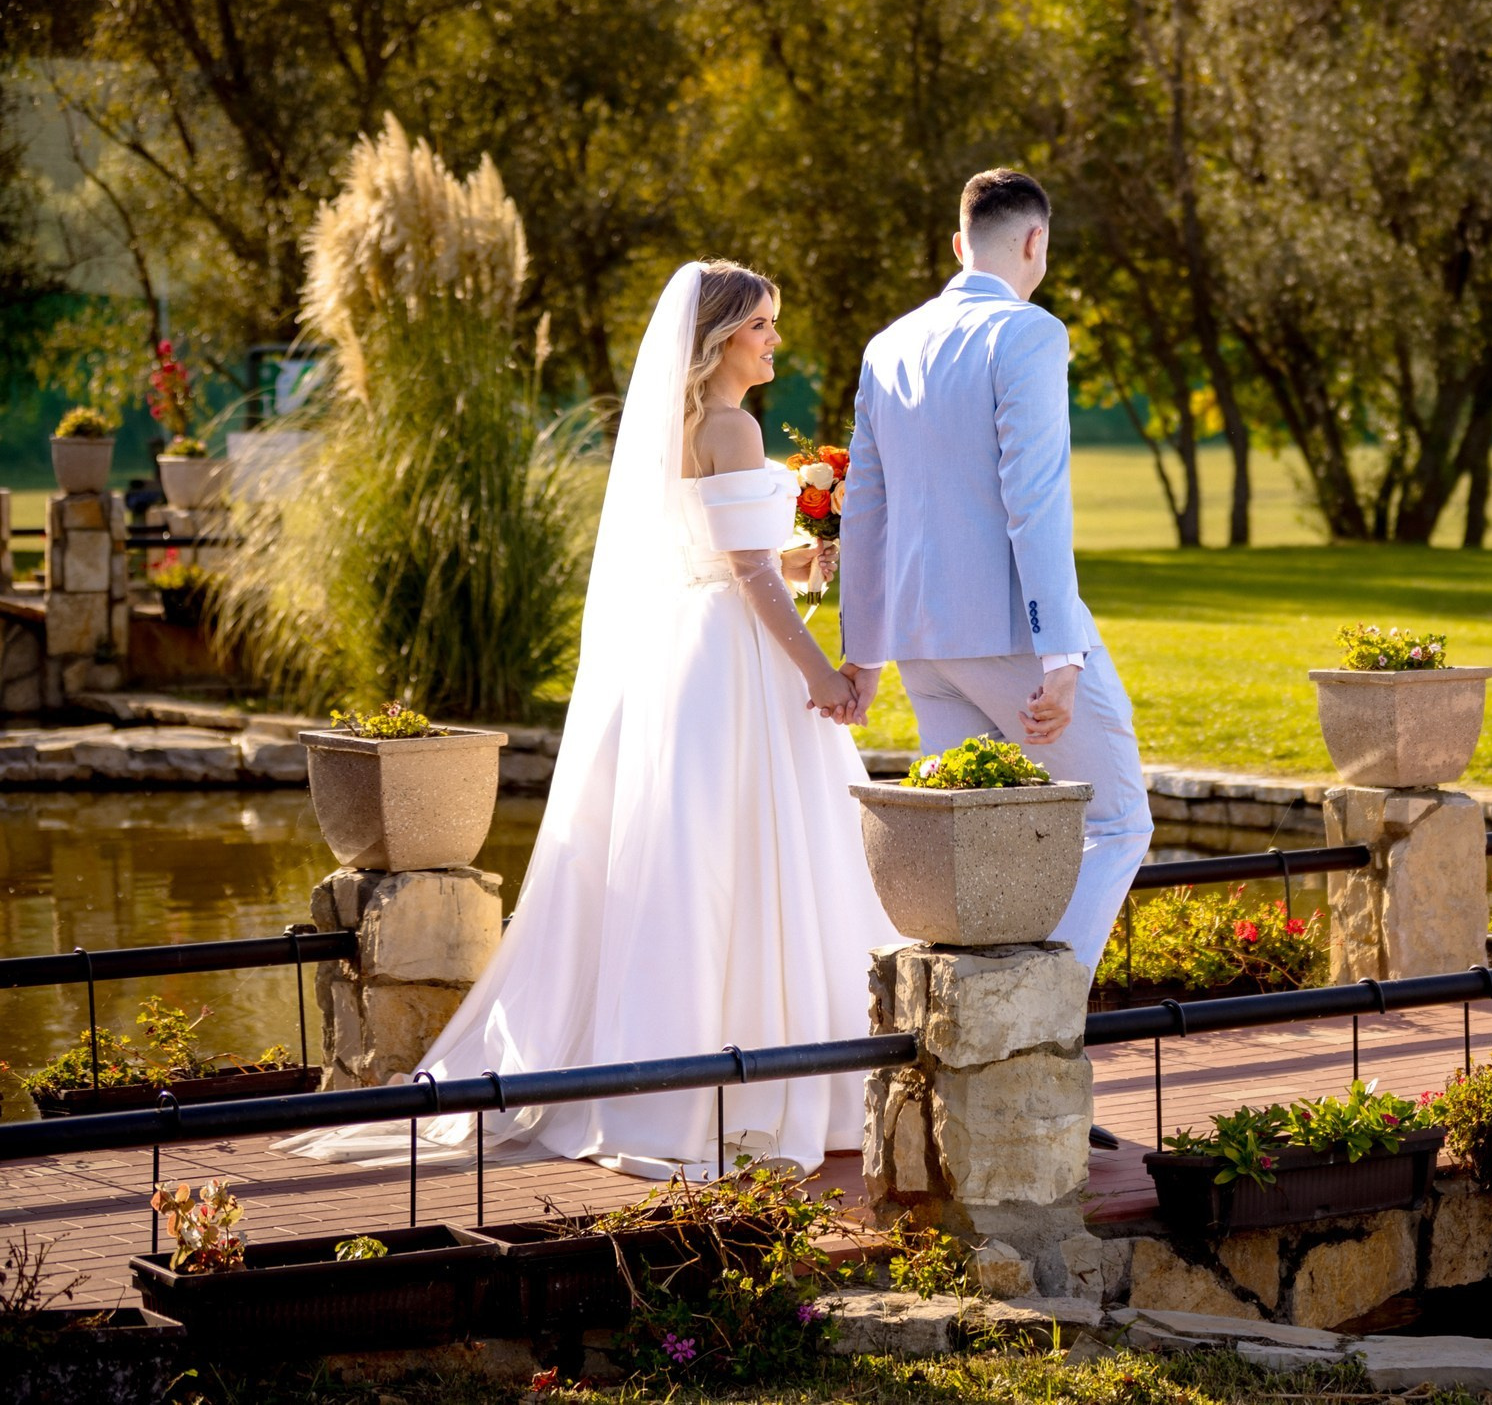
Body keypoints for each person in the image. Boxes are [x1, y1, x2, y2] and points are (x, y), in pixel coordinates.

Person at [280, 261, 898, 1179]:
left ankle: (689, 1063)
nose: (775, 339)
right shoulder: (731, 426)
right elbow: (746, 572)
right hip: (739, 657)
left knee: (701, 854)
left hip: (695, 655)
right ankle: (776, 1077)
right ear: (719, 337)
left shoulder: (683, 428)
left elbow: (729, 555)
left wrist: (806, 560)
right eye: (761, 324)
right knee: (763, 848)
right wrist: (823, 674)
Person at [837, 169, 1153, 977]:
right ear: (1036, 241)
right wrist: (1063, 654)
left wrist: (863, 651)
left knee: (973, 846)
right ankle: (1042, 1012)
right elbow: (1034, 500)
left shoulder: (888, 344)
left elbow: (865, 507)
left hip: (921, 644)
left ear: (960, 243)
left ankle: (987, 1027)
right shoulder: (1029, 332)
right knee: (1117, 821)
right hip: (1013, 636)